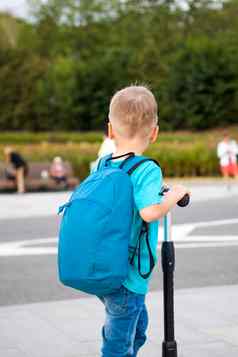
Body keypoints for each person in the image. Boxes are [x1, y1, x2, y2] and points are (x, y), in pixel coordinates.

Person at [97, 85, 189, 356]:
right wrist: (174, 195)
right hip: (128, 272)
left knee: (135, 328)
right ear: (155, 133)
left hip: (105, 265)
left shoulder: (105, 163)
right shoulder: (147, 168)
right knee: (119, 343)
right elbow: (149, 212)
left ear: (111, 130)